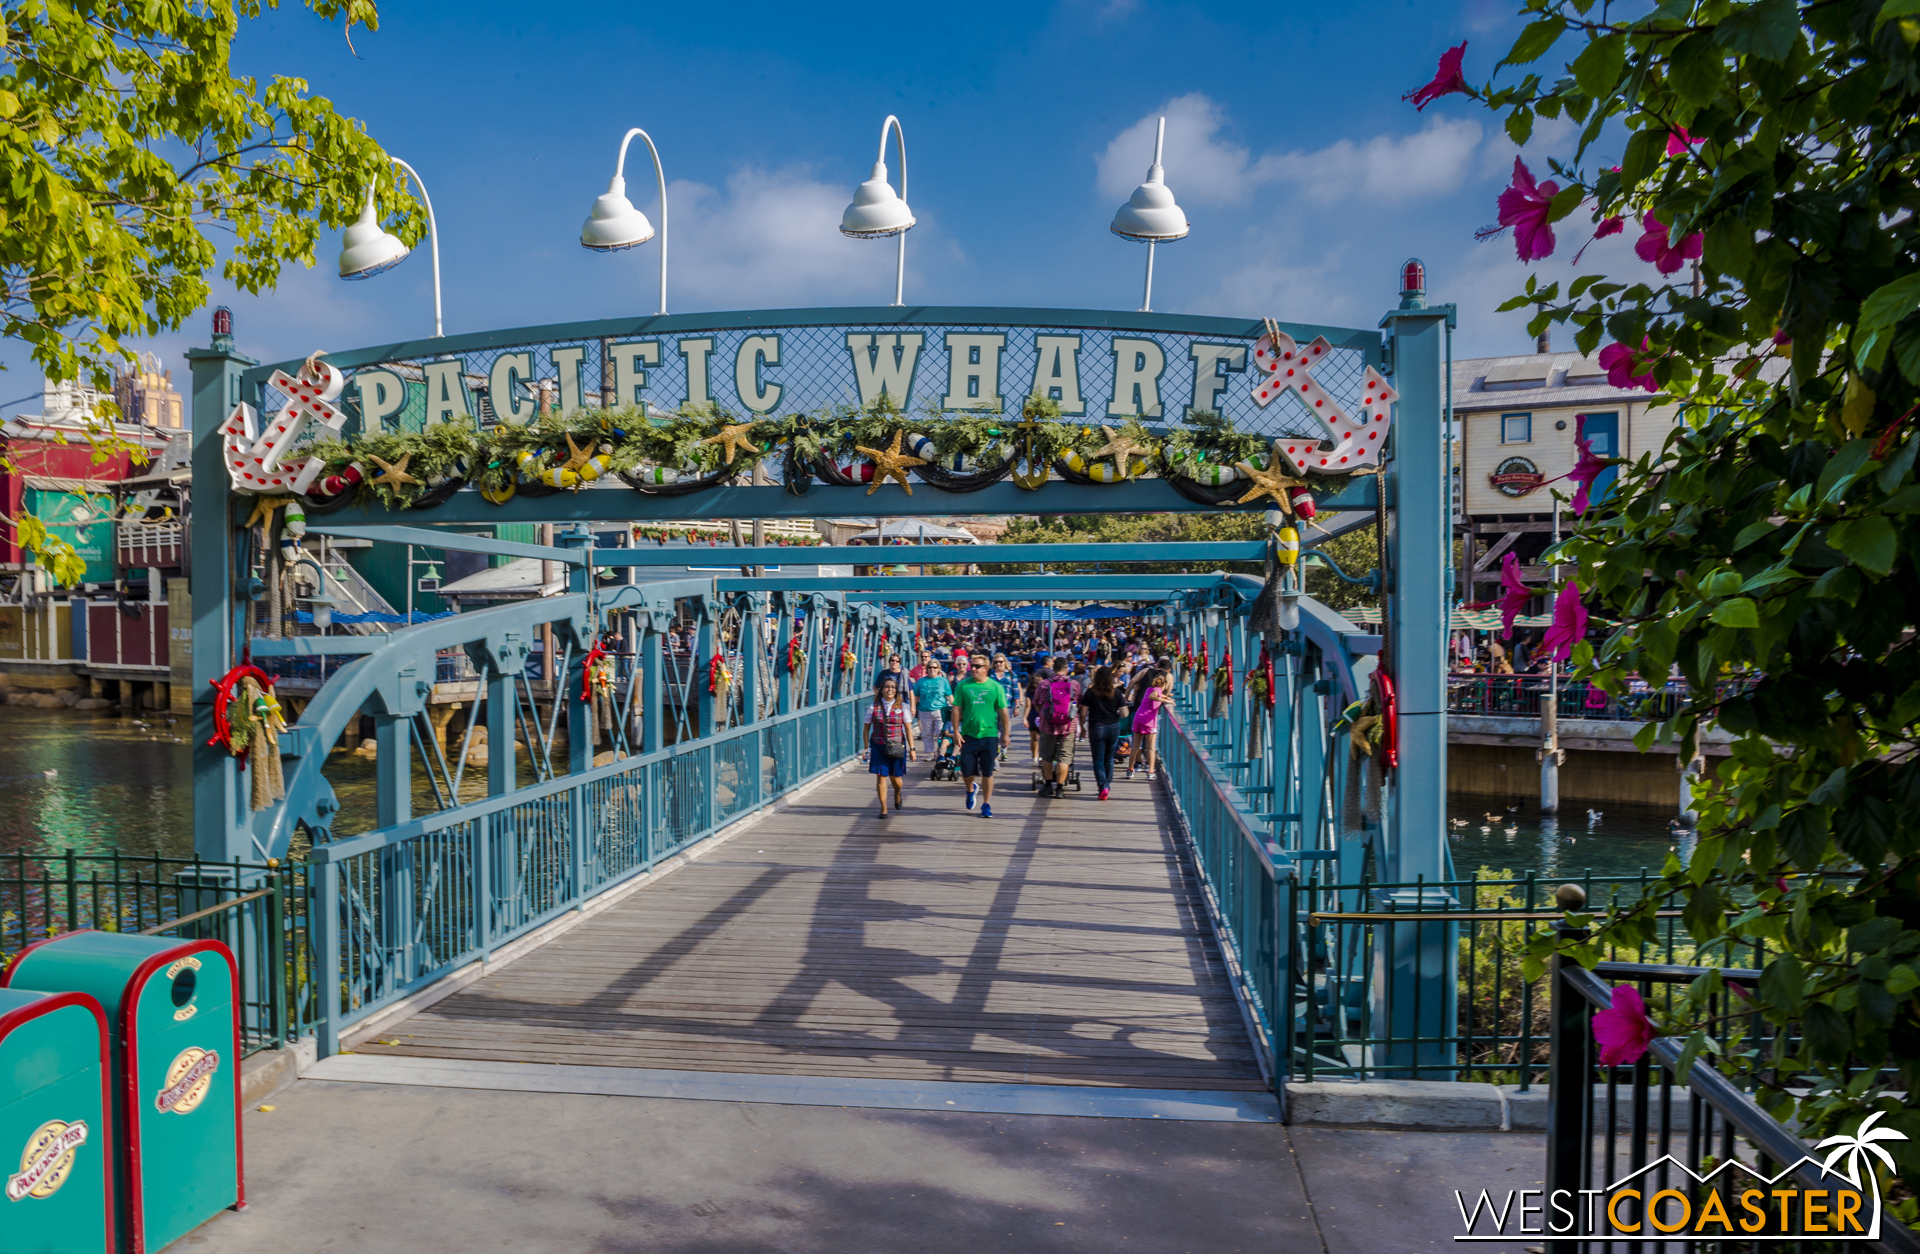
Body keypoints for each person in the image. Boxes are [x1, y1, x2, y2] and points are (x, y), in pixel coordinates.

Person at [953, 656, 1010, 819]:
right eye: (973, 666)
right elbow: (956, 709)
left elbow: (1003, 712)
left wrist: (1006, 733)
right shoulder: (963, 686)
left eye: (978, 666)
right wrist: (956, 731)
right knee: (966, 771)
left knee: (987, 772)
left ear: (986, 668)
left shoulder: (995, 687)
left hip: (989, 735)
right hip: (969, 735)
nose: (973, 669)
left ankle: (986, 804)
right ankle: (971, 789)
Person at [864, 676, 916, 818]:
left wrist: (912, 749)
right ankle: (884, 807)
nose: (890, 689)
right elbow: (866, 728)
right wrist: (866, 747)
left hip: (897, 746)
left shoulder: (902, 706)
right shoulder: (873, 707)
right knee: (881, 776)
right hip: (878, 745)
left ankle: (897, 792)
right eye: (887, 687)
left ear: (896, 691)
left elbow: (908, 729)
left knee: (896, 779)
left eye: (893, 687)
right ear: (881, 690)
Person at [1079, 665, 1130, 800]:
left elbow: (1083, 712)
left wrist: (1082, 726)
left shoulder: (1090, 692)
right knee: (1109, 758)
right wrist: (1116, 712)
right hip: (1113, 727)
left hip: (1096, 727)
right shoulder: (1117, 693)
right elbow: (1125, 713)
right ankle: (1107, 784)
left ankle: (1103, 785)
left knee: (1098, 759)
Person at [1036, 655, 1082, 798]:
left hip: (1047, 724)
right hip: (1068, 726)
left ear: (1053, 668)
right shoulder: (1074, 684)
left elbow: (1036, 702)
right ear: (1066, 669)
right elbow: (1078, 703)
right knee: (1064, 757)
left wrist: (1044, 714)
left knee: (1047, 756)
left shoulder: (1044, 684)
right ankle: (1060, 789)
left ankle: (1048, 785)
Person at [1128, 668, 1172, 779]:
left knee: (1136, 746)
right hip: (1149, 721)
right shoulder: (1157, 690)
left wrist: (1165, 697)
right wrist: (1166, 701)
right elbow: (1153, 696)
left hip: (1138, 718)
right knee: (1151, 747)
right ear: (1164, 684)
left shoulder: (1149, 688)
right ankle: (1151, 772)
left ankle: (1130, 769)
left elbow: (1155, 694)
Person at [911, 659, 953, 751]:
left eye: (934, 667)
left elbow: (949, 696)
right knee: (927, 734)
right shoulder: (921, 681)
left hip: (940, 711)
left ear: (938, 669)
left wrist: (954, 708)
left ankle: (940, 751)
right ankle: (930, 753)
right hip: (924, 711)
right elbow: (915, 695)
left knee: (940, 733)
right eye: (930, 667)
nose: (932, 669)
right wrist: (913, 707)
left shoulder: (943, 681)